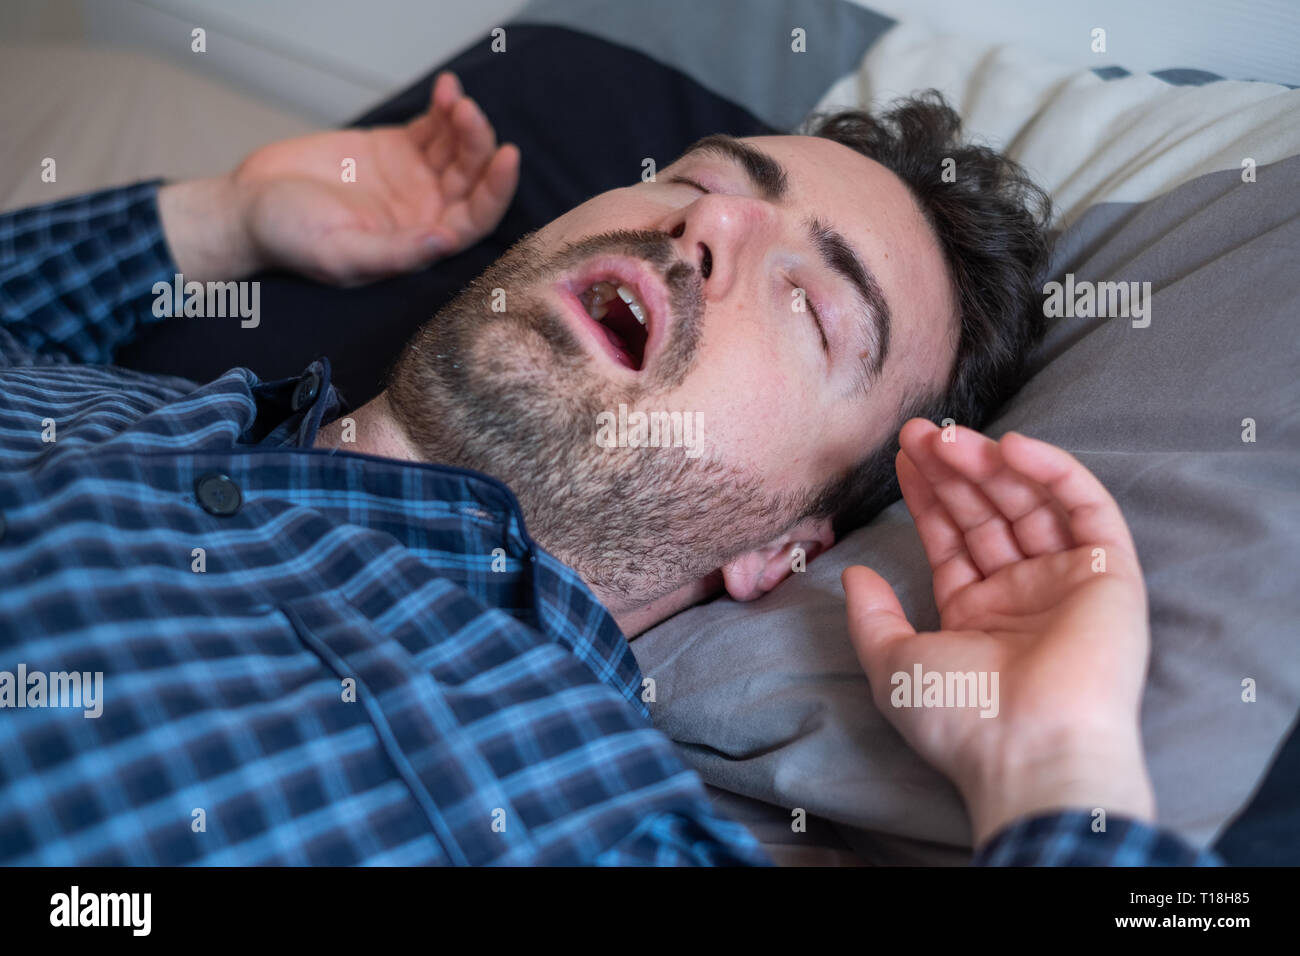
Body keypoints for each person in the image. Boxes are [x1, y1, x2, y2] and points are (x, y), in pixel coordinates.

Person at [0, 72, 1217, 865]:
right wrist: (220, 222)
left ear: (784, 548)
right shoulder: (104, 402)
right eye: (697, 180)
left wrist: (1058, 765)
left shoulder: (581, 814)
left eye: (811, 305)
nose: (712, 226)